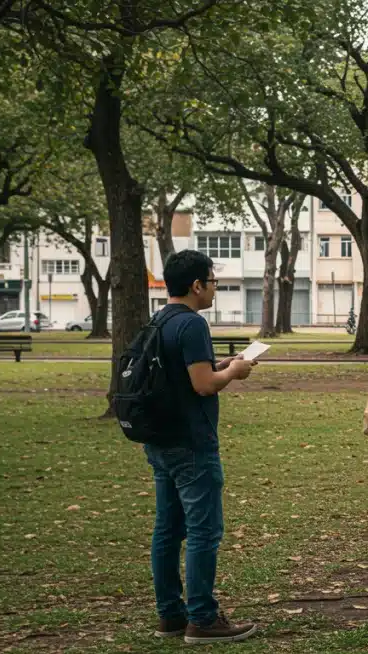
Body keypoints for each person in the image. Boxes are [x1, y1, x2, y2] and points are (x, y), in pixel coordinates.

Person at [146, 250, 259, 644]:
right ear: (196, 286)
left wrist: (224, 364)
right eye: (212, 282)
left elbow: (188, 373)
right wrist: (235, 371)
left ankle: (170, 616)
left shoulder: (159, 320)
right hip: (192, 443)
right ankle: (203, 619)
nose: (214, 289)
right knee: (203, 532)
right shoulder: (193, 324)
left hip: (160, 440)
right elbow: (203, 384)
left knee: (167, 530)